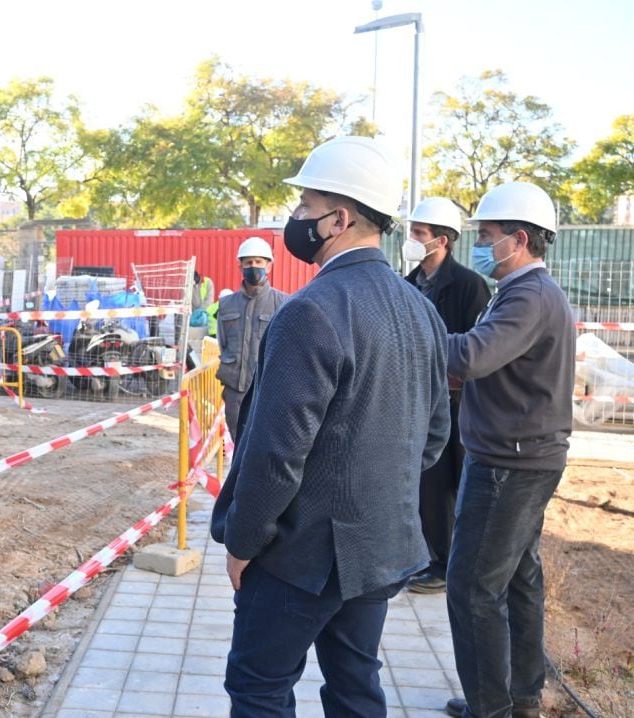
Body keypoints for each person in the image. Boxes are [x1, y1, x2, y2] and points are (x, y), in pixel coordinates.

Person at [210, 136, 450, 718]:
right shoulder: (420, 308)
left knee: (260, 688)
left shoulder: (310, 310)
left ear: (337, 220)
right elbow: (433, 435)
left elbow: (274, 456)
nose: (293, 220)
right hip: (377, 546)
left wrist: (243, 542)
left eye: (303, 207)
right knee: (354, 686)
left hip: (301, 555)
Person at [443, 182, 574, 718]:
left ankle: (490, 707)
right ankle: (520, 697)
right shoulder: (526, 293)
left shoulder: (528, 296)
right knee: (518, 579)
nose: (480, 245)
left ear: (518, 239)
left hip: (509, 464)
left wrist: (407, 331)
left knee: (472, 587)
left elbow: (471, 356)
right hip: (523, 456)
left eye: (486, 236)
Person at [402, 198, 491, 595]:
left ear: (442, 240)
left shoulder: (469, 286)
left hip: (453, 404)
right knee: (418, 482)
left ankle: (442, 564)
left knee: (443, 484)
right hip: (413, 400)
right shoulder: (407, 284)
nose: (412, 240)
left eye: (419, 234)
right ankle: (422, 556)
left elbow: (476, 348)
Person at [215, 236, 288, 441]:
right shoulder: (226, 304)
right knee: (239, 448)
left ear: (269, 266)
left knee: (263, 451)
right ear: (240, 265)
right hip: (235, 393)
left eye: (258, 262)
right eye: (248, 262)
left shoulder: (284, 303)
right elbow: (223, 344)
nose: (253, 267)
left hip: (268, 394)